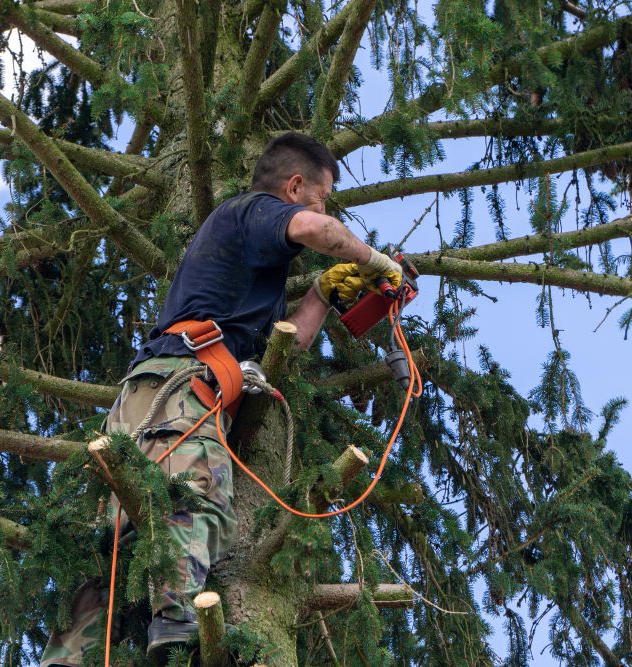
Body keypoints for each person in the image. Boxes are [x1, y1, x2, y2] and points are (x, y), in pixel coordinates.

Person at [41, 132, 402, 665]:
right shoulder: (255, 210)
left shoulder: (253, 262)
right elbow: (313, 227)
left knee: (119, 532)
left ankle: (75, 656)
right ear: (296, 186)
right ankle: (175, 620)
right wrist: (376, 261)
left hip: (162, 388)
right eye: (324, 195)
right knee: (196, 491)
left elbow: (292, 339)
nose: (327, 210)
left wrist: (323, 291)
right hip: (182, 382)